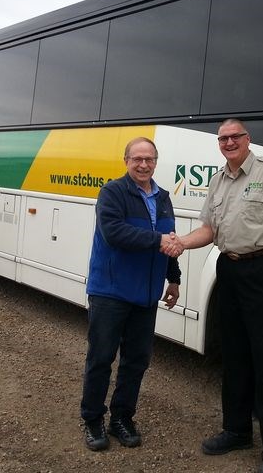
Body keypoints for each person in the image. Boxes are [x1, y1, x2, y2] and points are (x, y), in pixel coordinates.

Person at [173, 118, 263, 473]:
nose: (229, 142)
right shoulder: (218, 181)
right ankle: (236, 430)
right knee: (232, 355)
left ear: (248, 139)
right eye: (223, 138)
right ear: (219, 144)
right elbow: (208, 230)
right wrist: (181, 244)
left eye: (235, 137)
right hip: (228, 269)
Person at [80, 137, 182, 451]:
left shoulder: (163, 197)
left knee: (136, 361)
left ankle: (122, 418)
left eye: (149, 159)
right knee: (101, 357)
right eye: (137, 159)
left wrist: (173, 279)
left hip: (146, 294)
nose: (143, 165)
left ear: (155, 161)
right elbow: (114, 233)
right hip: (111, 291)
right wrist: (159, 240)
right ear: (126, 161)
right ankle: (93, 419)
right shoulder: (112, 192)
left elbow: (171, 240)